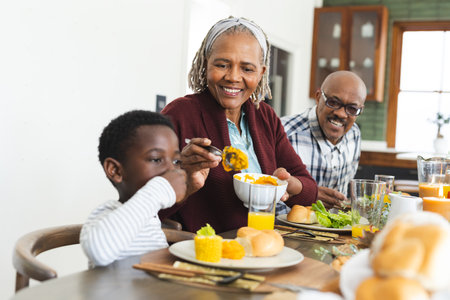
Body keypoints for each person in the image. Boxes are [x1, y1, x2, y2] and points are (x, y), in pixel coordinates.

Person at [160, 16, 317, 233]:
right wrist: (184, 176)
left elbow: (309, 189)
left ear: (261, 73)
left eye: (247, 69)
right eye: (222, 65)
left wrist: (287, 184)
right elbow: (144, 204)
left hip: (262, 242)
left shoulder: (266, 117)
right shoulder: (179, 114)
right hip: (204, 251)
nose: (234, 77)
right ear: (206, 63)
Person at [80, 110, 187, 267]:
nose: (172, 170)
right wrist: (161, 189)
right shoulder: (108, 213)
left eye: (176, 161)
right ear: (115, 170)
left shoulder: (150, 217)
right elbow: (99, 251)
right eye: (156, 159)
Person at [281, 71, 367, 208]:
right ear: (318, 97)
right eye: (333, 102)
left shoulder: (354, 134)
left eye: (352, 109)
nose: (340, 113)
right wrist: (308, 194)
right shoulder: (283, 133)